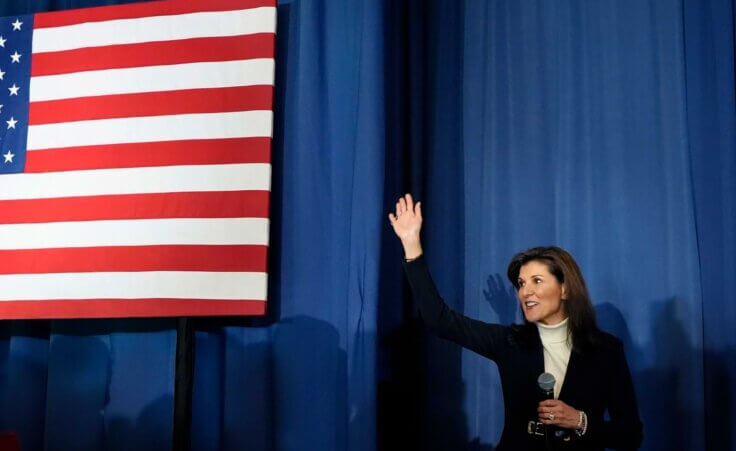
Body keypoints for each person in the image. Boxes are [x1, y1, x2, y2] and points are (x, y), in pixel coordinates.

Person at [388, 194, 643, 450]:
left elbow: (631, 435)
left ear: (565, 289)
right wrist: (412, 246)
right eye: (521, 284)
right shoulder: (510, 342)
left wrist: (580, 421)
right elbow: (439, 320)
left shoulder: (606, 350)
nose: (525, 292)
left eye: (537, 281)